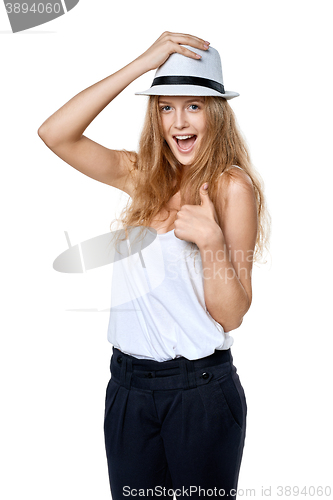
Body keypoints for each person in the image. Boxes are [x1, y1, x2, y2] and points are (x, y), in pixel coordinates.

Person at [38, 32, 270, 499]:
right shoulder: (142, 175)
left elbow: (232, 315)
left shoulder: (231, 188)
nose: (179, 122)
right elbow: (54, 133)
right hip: (127, 388)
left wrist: (210, 241)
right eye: (166, 107)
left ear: (216, 112)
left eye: (194, 106)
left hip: (198, 393)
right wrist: (143, 64)